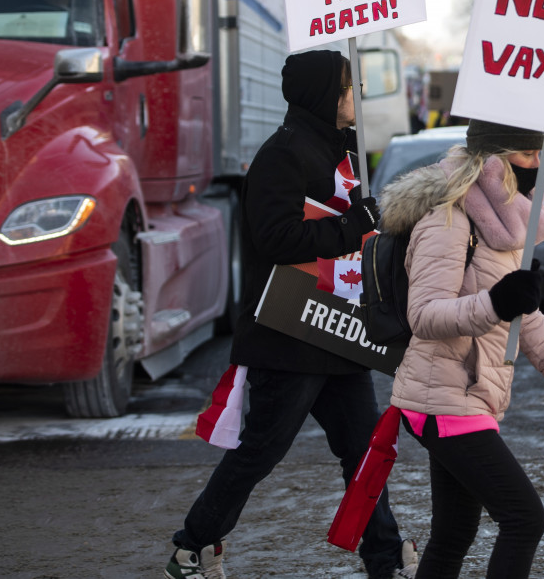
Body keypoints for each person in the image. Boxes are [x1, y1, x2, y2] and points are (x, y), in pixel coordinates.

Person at [163, 50, 417, 579]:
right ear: (324, 94)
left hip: (337, 333)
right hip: (290, 334)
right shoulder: (282, 154)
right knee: (261, 451)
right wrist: (353, 225)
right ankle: (193, 546)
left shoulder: (341, 151)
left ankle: (385, 557)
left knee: (364, 452)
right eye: (349, 85)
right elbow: (276, 239)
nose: (358, 93)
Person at [379, 119, 544, 579]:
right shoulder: (448, 218)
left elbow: (526, 319)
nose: (537, 165)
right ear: (497, 159)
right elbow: (425, 314)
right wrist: (497, 301)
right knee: (524, 519)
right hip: (441, 398)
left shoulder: (502, 225)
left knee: (453, 533)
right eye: (528, 154)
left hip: (464, 397)